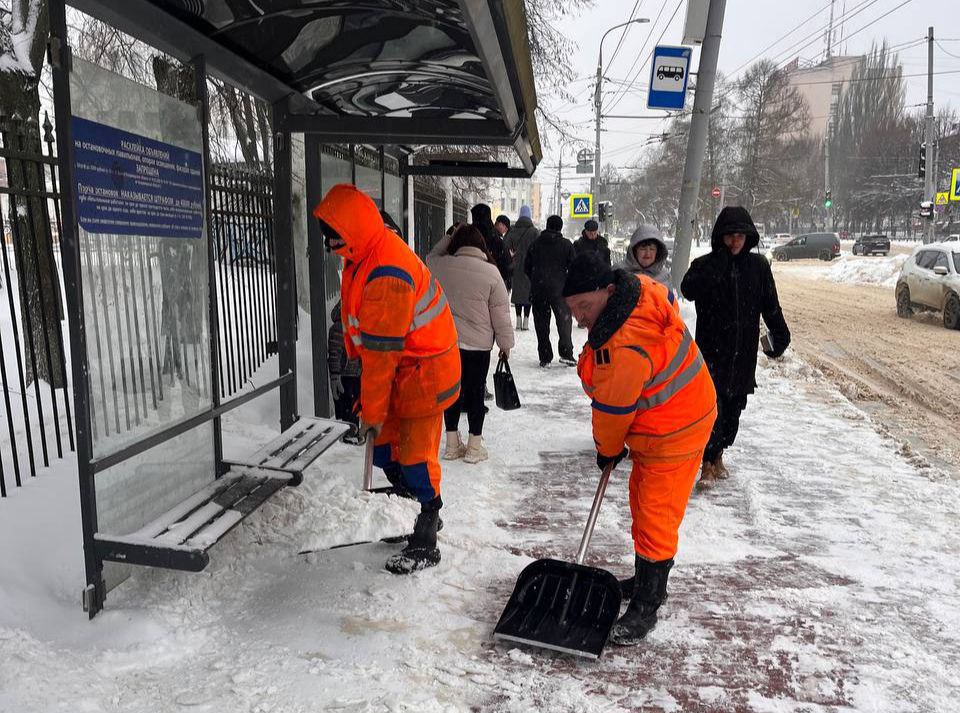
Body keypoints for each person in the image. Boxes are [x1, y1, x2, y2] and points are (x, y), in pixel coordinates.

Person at [563, 252, 717, 645]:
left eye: (584, 306)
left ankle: (649, 600)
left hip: (676, 428)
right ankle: (647, 576)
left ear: (607, 290)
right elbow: (667, 304)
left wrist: (608, 449)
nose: (579, 318)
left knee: (655, 513)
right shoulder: (638, 292)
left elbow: (612, 413)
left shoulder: (622, 348)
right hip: (675, 413)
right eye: (572, 309)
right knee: (642, 499)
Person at [313, 184, 461, 574]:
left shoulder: (386, 274)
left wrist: (372, 411)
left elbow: (381, 356)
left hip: (424, 374)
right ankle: (408, 509)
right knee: (383, 450)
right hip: (398, 371)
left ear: (353, 229)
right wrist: (372, 406)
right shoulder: (363, 253)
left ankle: (427, 528)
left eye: (333, 234)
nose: (328, 243)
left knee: (415, 457)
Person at [680, 206, 791, 485]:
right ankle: (707, 461)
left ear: (748, 237)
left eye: (740, 236)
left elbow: (770, 305)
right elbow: (687, 289)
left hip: (742, 357)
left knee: (733, 411)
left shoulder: (758, 267)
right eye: (730, 236)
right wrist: (717, 265)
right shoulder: (705, 264)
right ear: (720, 236)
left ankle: (718, 454)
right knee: (711, 409)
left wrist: (780, 334)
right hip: (711, 354)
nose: (735, 242)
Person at [427, 224, 514, 464]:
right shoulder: (491, 272)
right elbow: (500, 313)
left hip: (448, 343)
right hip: (478, 346)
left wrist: (449, 235)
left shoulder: (442, 266)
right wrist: (505, 345)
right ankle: (474, 447)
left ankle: (451, 444)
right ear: (481, 244)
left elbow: (431, 256)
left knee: (451, 393)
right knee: (476, 393)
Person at [524, 215, 576, 367]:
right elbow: (574, 267)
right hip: (560, 290)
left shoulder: (535, 244)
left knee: (541, 324)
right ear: (560, 228)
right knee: (564, 322)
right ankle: (566, 353)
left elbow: (527, 267)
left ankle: (545, 356)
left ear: (547, 226)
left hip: (539, 290)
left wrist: (536, 279)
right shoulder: (566, 245)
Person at [327, 299, 363, 445]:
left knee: (354, 405)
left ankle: (353, 431)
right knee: (347, 405)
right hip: (344, 375)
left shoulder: (355, 325)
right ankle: (348, 434)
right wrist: (335, 375)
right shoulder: (338, 328)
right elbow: (334, 354)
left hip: (356, 374)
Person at [503, 205, 539, 330]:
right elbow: (539, 248)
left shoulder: (513, 231)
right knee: (528, 294)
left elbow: (505, 246)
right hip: (530, 267)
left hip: (516, 266)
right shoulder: (534, 232)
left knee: (518, 293)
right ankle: (526, 321)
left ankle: (518, 320)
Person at [470, 203, 507, 285]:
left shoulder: (468, 233)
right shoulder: (495, 237)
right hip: (490, 279)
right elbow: (503, 267)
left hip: (470, 277)